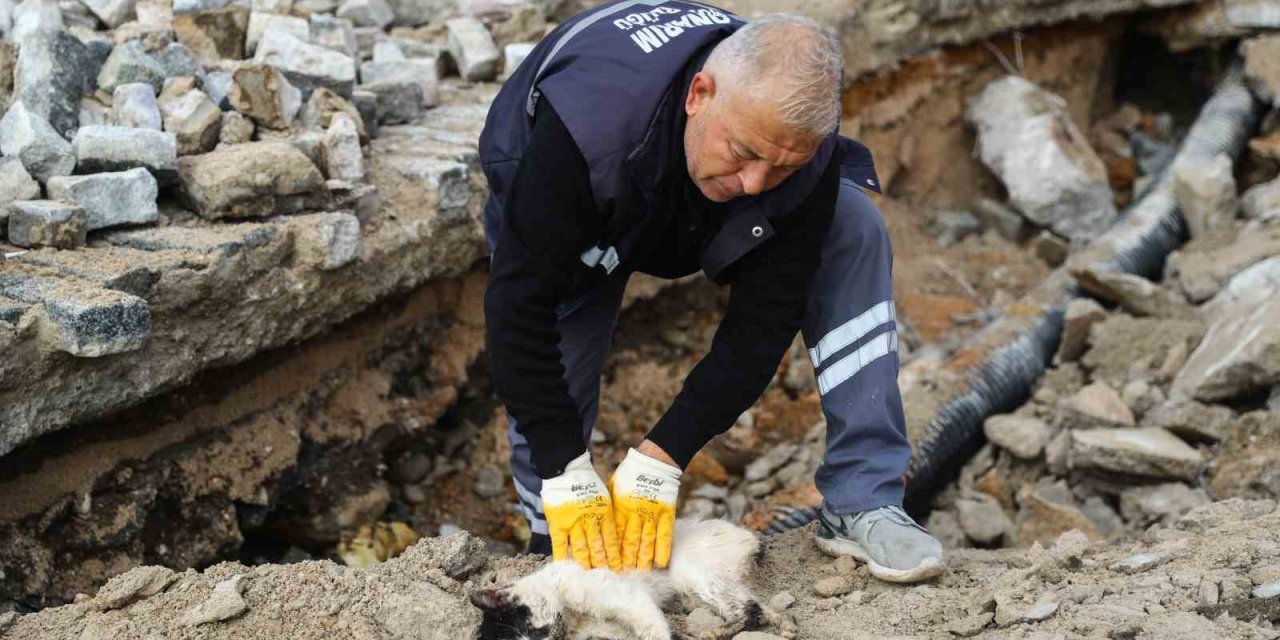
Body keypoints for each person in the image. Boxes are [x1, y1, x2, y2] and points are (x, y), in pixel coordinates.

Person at [477, 0, 946, 583]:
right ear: (700, 94)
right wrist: (563, 468)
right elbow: (517, 312)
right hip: (593, 189)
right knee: (558, 366)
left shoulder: (797, 147)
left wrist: (664, 456)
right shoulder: (582, 135)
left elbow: (760, 329)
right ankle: (557, 536)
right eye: (744, 153)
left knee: (853, 227)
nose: (754, 183)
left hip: (676, 185)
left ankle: (863, 498)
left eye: (781, 168)